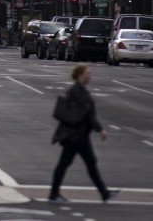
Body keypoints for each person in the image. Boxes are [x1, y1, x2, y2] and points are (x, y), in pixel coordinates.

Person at [49, 64, 119, 204]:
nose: (90, 75)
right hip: (75, 135)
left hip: (79, 135)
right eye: (88, 73)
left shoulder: (78, 90)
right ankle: (54, 194)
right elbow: (88, 114)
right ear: (80, 75)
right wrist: (100, 129)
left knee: (88, 162)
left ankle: (104, 193)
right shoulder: (78, 91)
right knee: (66, 164)